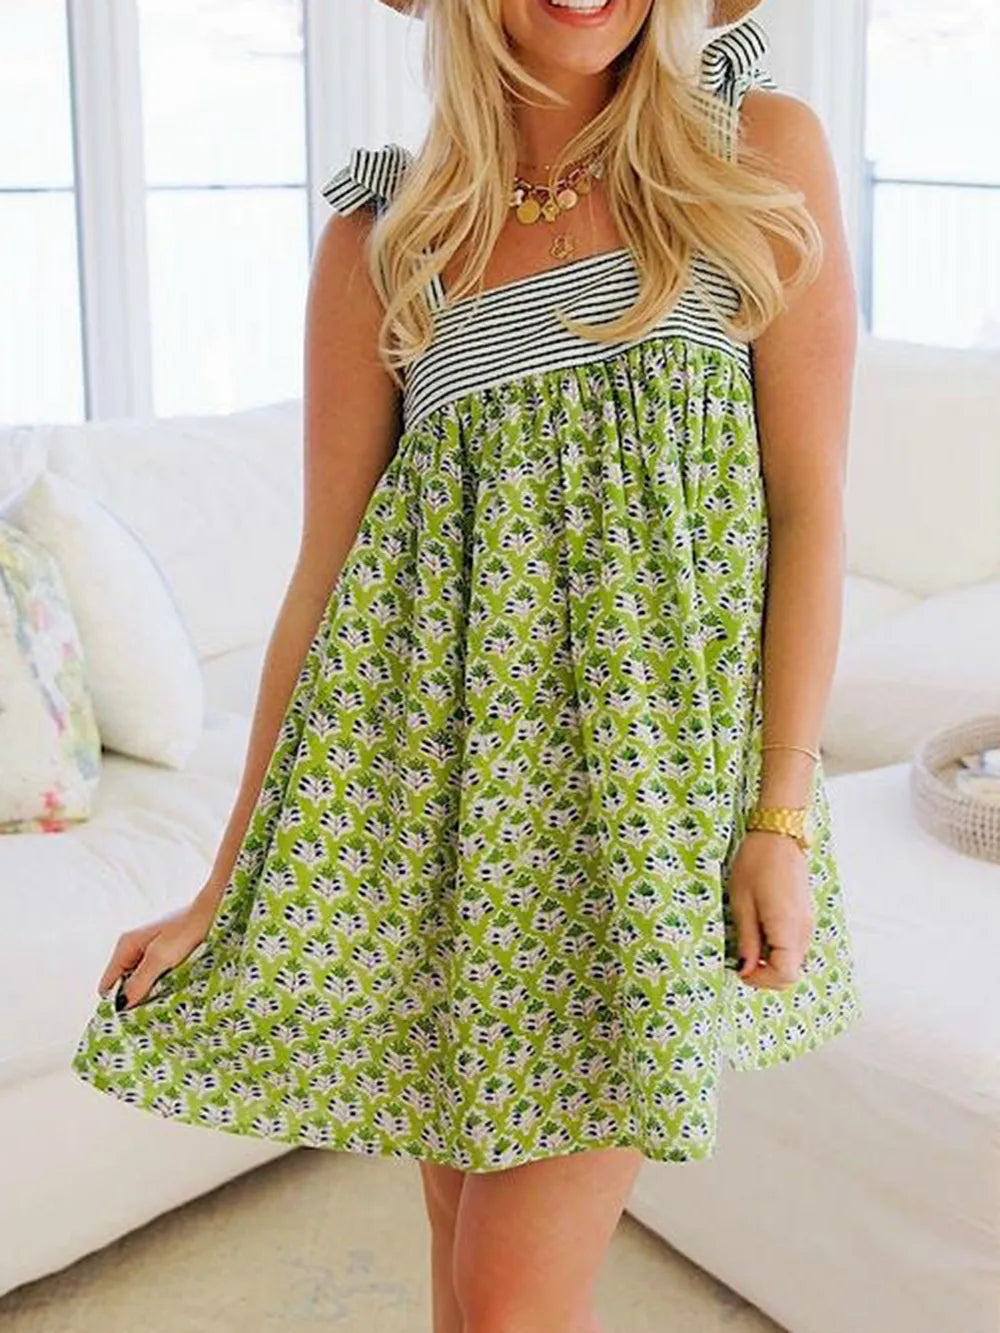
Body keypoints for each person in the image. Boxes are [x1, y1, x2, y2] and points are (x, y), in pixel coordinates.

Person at [72, 1, 862, 1329]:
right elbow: (326, 584)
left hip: (649, 831)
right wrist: (226, 881)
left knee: (504, 1302)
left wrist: (778, 813)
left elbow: (811, 508)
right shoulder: (387, 238)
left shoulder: (756, 148)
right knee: (466, 1281)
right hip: (453, 832)